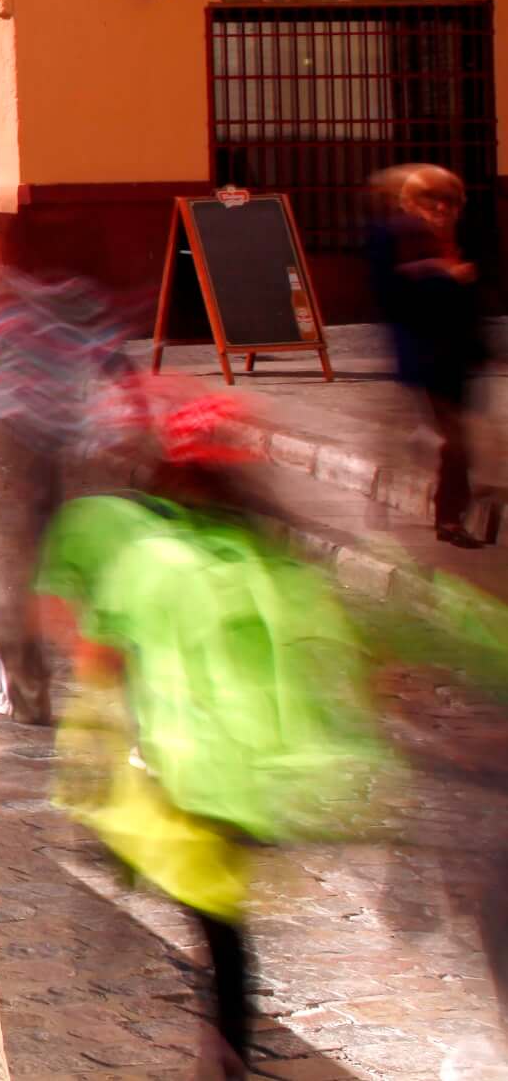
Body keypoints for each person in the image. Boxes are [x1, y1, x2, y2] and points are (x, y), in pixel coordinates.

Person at [36, 384, 397, 1080]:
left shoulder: (148, 558)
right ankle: (226, 1041)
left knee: (215, 916)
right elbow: (340, 659)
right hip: (257, 776)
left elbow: (100, 658)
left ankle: (221, 1043)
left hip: (192, 769)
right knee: (225, 926)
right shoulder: (280, 569)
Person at [0, 255, 137, 722]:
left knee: (16, 573)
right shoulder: (87, 303)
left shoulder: (7, 302)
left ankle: (26, 692)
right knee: (83, 566)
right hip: (75, 451)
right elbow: (121, 371)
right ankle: (110, 679)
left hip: (14, 452)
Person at [368, 162, 492, 546]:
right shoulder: (396, 237)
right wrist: (439, 273)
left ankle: (449, 504)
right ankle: (449, 520)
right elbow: (390, 295)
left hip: (461, 355)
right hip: (423, 353)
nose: (440, 209)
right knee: (456, 439)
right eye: (430, 200)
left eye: (448, 202)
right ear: (410, 203)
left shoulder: (465, 236)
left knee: (462, 439)